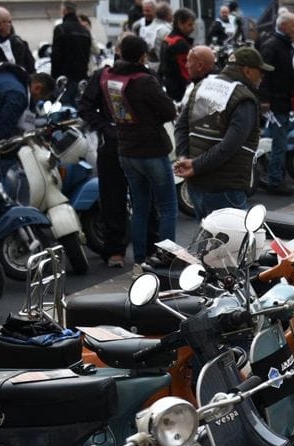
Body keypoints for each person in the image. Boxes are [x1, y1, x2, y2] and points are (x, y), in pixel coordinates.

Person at [101, 35, 177, 278]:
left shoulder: (109, 76)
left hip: (126, 149)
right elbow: (168, 110)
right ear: (143, 56)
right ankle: (166, 260)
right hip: (152, 149)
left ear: (120, 52)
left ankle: (140, 259)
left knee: (140, 206)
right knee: (167, 206)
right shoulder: (145, 81)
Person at [174, 47, 270, 218]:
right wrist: (195, 165)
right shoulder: (244, 98)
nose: (262, 77)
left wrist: (184, 158)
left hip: (196, 183)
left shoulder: (202, 86)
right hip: (225, 186)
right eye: (260, 72)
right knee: (233, 241)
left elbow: (181, 126)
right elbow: (230, 145)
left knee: (206, 239)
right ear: (247, 71)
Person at [259, 12, 294, 196]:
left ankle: (275, 177)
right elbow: (264, 75)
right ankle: (275, 181)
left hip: (282, 100)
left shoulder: (284, 44)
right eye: (293, 25)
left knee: (278, 141)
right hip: (276, 102)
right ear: (283, 26)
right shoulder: (272, 46)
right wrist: (265, 99)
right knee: (279, 143)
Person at [51, 1, 92, 107]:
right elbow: (87, 56)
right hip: (81, 78)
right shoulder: (85, 31)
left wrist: (54, 79)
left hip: (64, 79)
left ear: (64, 10)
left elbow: (56, 56)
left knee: (62, 111)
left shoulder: (61, 29)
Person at [160, 8, 196, 102]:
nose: (193, 28)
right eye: (190, 25)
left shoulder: (167, 39)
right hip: (180, 89)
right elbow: (184, 70)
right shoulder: (180, 43)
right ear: (180, 23)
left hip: (168, 84)